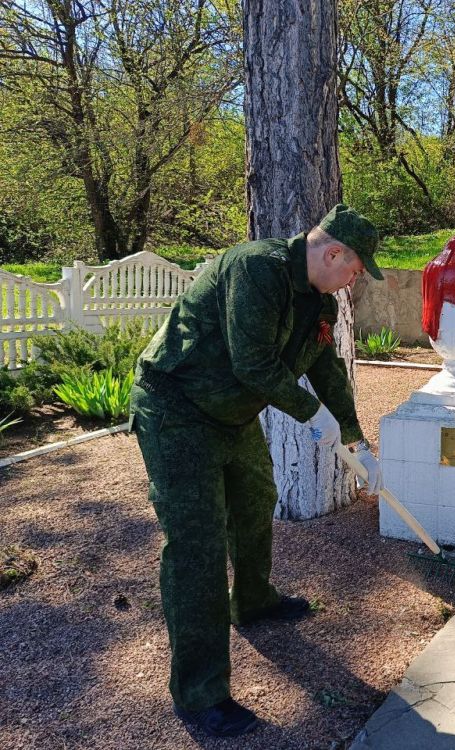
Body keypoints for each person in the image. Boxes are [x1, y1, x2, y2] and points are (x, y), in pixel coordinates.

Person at [129, 204, 385, 737]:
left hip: (232, 415)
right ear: (332, 252)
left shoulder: (319, 304)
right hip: (177, 409)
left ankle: (253, 600)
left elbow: (326, 368)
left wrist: (357, 439)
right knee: (196, 547)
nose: (353, 281)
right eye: (356, 270)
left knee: (254, 501)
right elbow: (252, 362)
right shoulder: (256, 269)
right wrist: (310, 414)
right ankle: (199, 693)